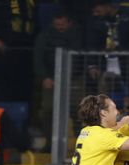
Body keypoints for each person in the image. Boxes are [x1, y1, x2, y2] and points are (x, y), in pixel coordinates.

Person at [33, 11, 82, 152]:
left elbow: (80, 58)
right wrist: (44, 77)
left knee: (78, 112)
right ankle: (50, 144)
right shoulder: (44, 36)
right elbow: (38, 58)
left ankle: (82, 144)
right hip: (51, 79)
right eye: (57, 25)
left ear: (69, 22)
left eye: (62, 24)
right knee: (48, 112)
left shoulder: (77, 35)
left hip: (74, 79)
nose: (59, 27)